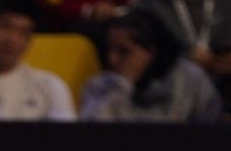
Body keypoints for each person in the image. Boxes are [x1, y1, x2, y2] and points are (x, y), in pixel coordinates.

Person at [80, 7, 222, 121]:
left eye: (124, 52)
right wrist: (122, 85)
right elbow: (94, 135)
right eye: (110, 49)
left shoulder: (189, 77)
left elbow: (210, 127)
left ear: (150, 52)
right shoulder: (99, 86)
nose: (112, 59)